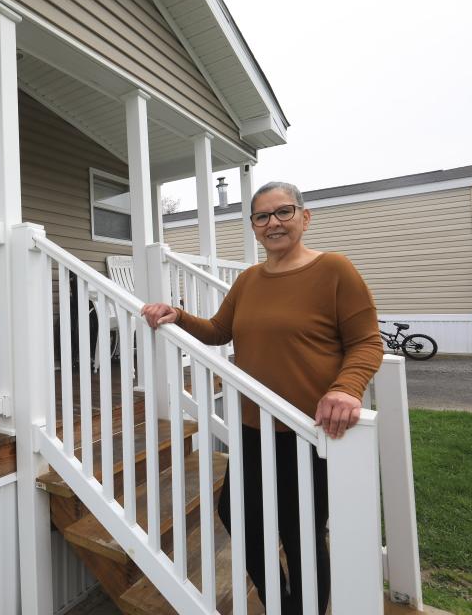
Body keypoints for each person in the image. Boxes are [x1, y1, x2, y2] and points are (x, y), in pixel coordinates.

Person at [141, 181, 383, 615]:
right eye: (262, 216)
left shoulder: (334, 270)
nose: (273, 223)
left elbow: (367, 342)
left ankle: (302, 608)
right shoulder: (249, 279)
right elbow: (219, 330)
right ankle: (280, 601)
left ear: (304, 218)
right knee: (236, 512)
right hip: (255, 428)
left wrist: (346, 388)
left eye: (283, 212)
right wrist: (178, 316)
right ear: (253, 227)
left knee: (300, 533)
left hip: (309, 433)